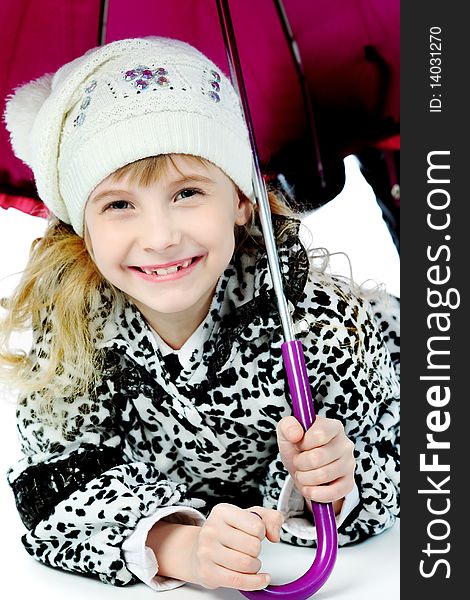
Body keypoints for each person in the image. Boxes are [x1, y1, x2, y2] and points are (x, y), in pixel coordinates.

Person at [0, 37, 400, 592]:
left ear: (241, 200)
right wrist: (177, 544)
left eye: (187, 192)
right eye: (118, 205)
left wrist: (322, 482)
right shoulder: (74, 331)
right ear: (82, 229)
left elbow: (387, 465)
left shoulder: (320, 325)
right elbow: (52, 481)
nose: (161, 237)